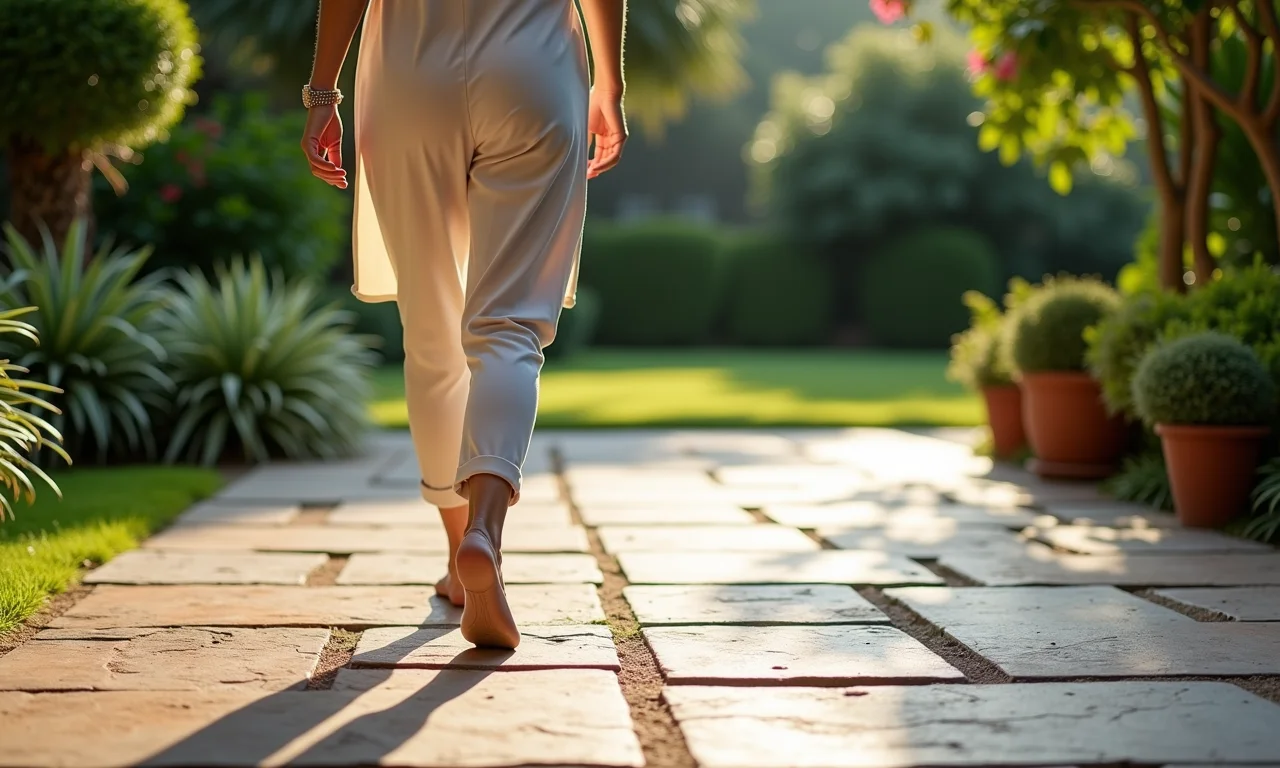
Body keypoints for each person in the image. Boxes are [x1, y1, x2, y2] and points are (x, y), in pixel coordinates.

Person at [303, 0, 627, 649]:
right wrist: (609, 81)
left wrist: (322, 92)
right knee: (507, 328)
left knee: (431, 333)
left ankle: (458, 557)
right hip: (532, 69)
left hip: (407, 80)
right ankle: (486, 531)